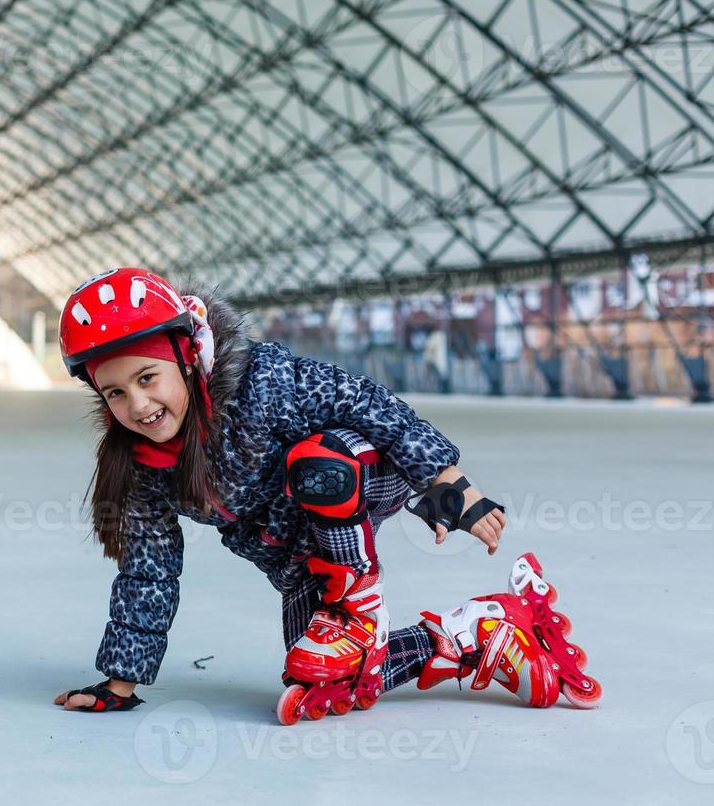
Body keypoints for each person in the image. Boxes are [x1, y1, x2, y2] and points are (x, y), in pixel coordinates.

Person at [50, 268, 600, 722]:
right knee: (320, 682)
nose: (137, 404)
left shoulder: (262, 382)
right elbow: (149, 573)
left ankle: (356, 608)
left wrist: (445, 479)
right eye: (115, 392)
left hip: (361, 473)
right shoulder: (145, 467)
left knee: (317, 463)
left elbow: (368, 403)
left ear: (187, 356)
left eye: (148, 377)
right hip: (304, 554)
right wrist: (119, 683)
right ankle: (484, 634)